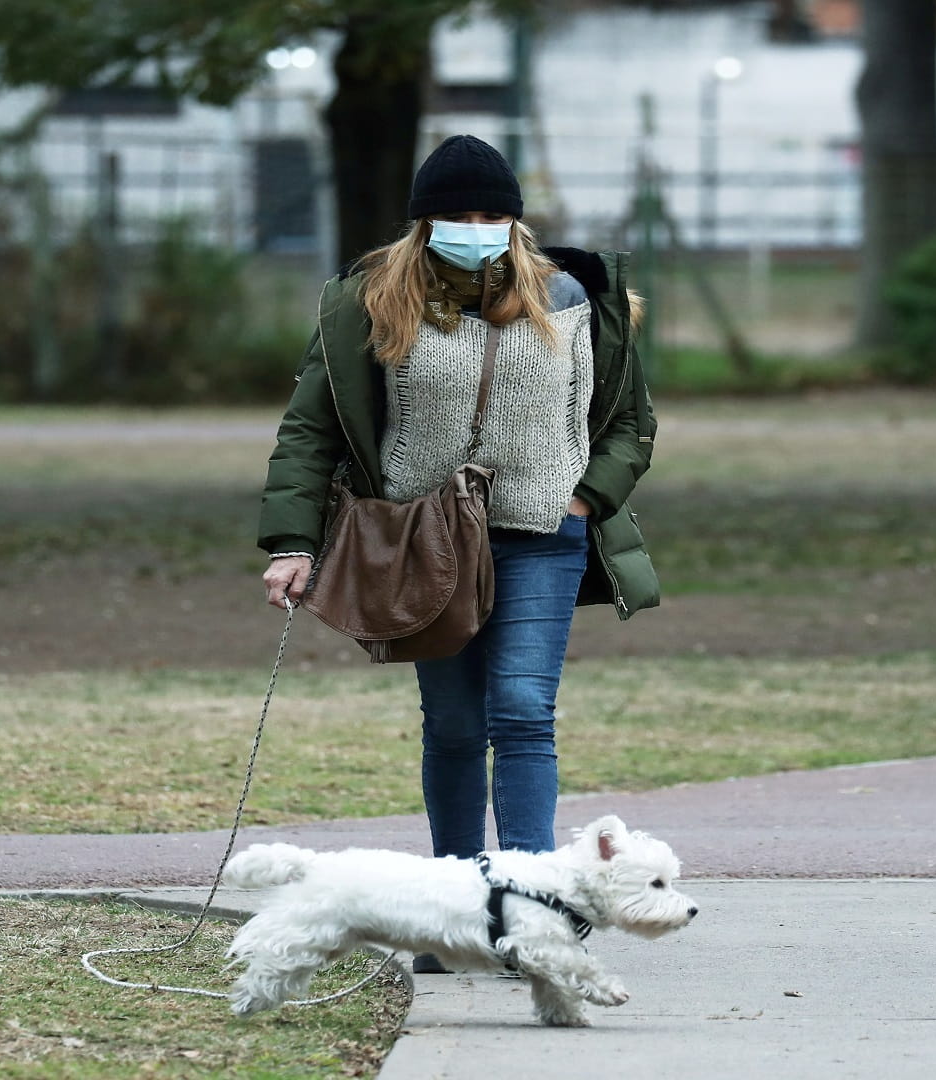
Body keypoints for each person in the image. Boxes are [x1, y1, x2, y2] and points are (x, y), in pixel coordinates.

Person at [255, 135, 659, 971]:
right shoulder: (370, 300)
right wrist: (294, 543)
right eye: (455, 215)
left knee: (520, 712)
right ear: (423, 221)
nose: (475, 228)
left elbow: (628, 421)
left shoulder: (577, 297)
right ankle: (449, 915)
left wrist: (585, 496)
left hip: (542, 535)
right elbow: (311, 427)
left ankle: (527, 910)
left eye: (491, 215)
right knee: (454, 725)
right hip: (424, 539)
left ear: (515, 219)